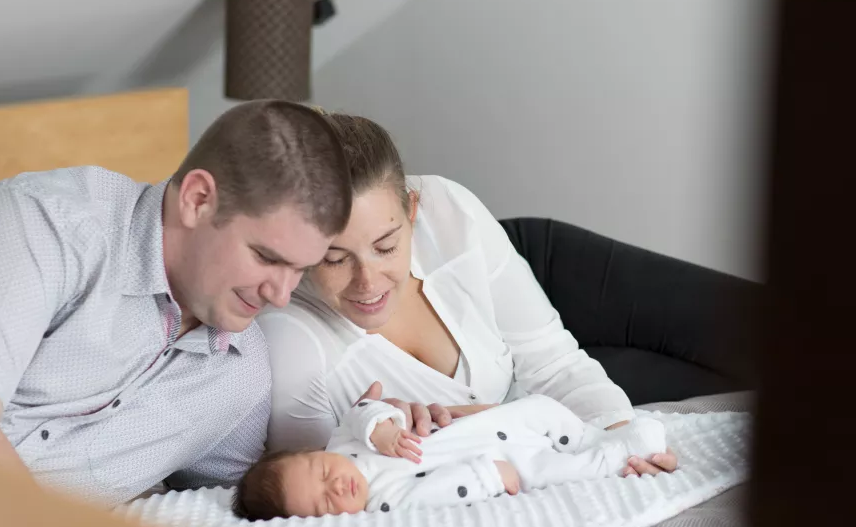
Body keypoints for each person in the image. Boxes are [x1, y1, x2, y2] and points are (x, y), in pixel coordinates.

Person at [0, 100, 351, 506]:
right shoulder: (43, 227)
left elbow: (240, 504)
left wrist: (365, 440)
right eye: (267, 258)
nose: (280, 295)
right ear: (198, 200)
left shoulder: (239, 375)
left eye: (300, 270)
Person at [259, 113, 678, 477]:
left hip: (542, 267)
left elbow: (554, 365)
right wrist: (383, 434)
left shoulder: (447, 210)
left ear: (412, 211)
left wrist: (624, 439)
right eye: (334, 259)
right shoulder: (291, 340)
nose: (367, 282)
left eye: (386, 247)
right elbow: (316, 488)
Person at [233, 394, 668, 520]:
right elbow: (437, 494)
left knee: (542, 409)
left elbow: (360, 410)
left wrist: (380, 426)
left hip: (489, 424)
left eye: (321, 471)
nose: (335, 485)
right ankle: (620, 455)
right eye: (325, 504)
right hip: (504, 463)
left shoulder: (345, 442)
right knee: (558, 472)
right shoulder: (382, 503)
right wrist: (488, 477)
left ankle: (597, 436)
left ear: (316, 453)